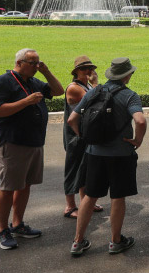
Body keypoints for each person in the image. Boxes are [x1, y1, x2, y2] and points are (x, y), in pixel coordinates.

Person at [67, 57, 146, 256]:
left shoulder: (93, 91)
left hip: (94, 153)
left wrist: (84, 137)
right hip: (120, 154)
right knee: (118, 196)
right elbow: (141, 120)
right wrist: (138, 140)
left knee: (90, 196)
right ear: (127, 75)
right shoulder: (130, 95)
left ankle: (77, 242)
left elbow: (72, 119)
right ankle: (115, 241)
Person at [0, 49, 64, 250]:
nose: (36, 66)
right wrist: (26, 102)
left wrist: (46, 72)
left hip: (34, 142)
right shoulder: (4, 81)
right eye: (33, 63)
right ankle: (2, 230)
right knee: (8, 187)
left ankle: (17, 224)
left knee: (25, 185)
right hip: (13, 143)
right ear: (19, 62)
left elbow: (58, 91)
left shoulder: (33, 81)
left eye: (38, 63)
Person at [63, 57, 101, 220]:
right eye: (85, 68)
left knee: (85, 169)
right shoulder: (74, 88)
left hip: (83, 134)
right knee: (73, 169)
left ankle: (85, 202)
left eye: (90, 68)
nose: (88, 71)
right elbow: (96, 100)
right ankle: (70, 207)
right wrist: (96, 83)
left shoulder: (84, 85)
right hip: (74, 135)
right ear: (76, 71)